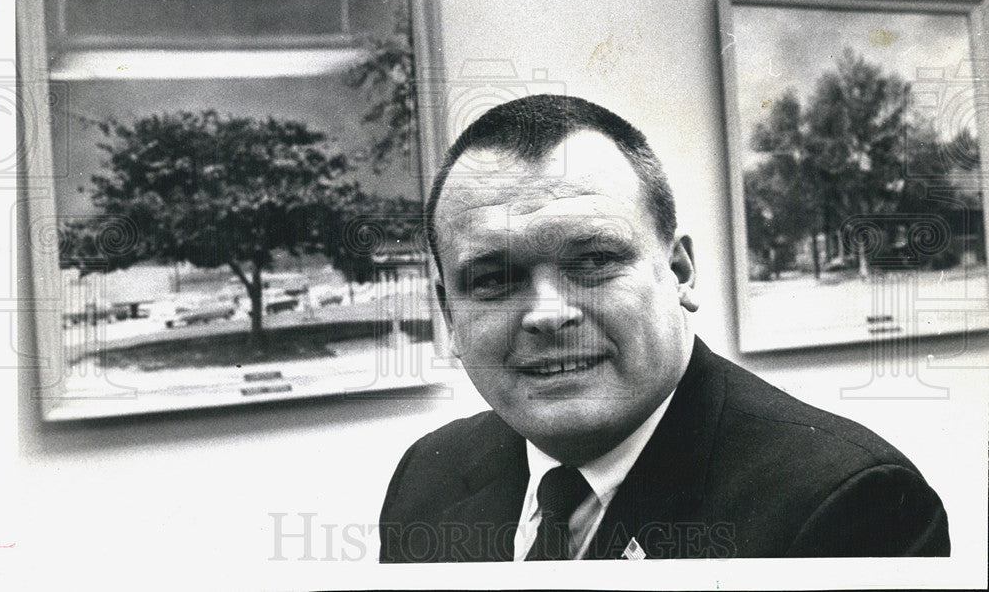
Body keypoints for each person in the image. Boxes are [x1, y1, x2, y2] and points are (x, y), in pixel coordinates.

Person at [378, 95, 950, 562]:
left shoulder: (848, 506)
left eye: (594, 260)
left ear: (680, 272)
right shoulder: (426, 480)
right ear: (450, 316)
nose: (547, 314)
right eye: (491, 280)